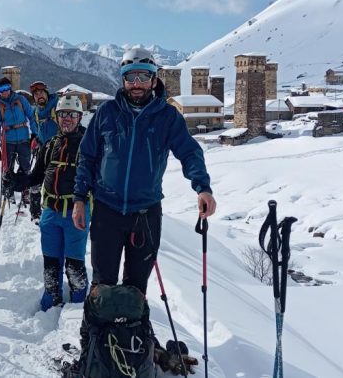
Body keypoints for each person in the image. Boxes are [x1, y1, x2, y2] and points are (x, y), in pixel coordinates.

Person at [70, 46, 217, 366]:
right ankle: (93, 354)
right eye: (130, 77)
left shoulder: (167, 117)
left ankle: (137, 353)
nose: (136, 83)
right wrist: (80, 199)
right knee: (102, 287)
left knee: (137, 288)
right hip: (107, 211)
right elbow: (88, 157)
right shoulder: (107, 114)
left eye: (143, 76)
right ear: (122, 80)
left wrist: (202, 187)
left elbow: (189, 153)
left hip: (145, 215)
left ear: (154, 80)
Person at [25, 94, 89, 311]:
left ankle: (79, 302)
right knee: (51, 262)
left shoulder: (88, 145)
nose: (67, 119)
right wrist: (15, 180)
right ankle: (51, 297)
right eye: (62, 114)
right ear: (56, 117)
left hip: (76, 213)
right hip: (50, 212)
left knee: (74, 263)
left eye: (72, 115)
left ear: (79, 117)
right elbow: (36, 176)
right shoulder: (52, 144)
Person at [0, 77, 37, 204]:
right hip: (8, 141)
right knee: (7, 169)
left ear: (10, 88)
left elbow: (31, 117)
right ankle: (8, 192)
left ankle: (25, 191)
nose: (4, 92)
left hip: (23, 139)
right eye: (1, 89)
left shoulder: (21, 100)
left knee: (25, 167)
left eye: (7, 88)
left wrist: (35, 134)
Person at [27, 81, 59, 223]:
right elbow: (38, 128)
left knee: (54, 181)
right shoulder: (36, 111)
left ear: (46, 93)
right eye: (36, 94)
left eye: (41, 93)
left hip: (59, 150)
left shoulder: (57, 106)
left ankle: (52, 210)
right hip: (43, 149)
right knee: (35, 181)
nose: (39, 96)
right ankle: (35, 213)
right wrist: (35, 139)